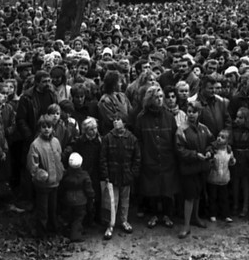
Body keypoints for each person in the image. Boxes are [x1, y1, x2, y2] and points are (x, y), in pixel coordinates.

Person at [133, 85, 179, 230]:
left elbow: (174, 137)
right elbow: (138, 139)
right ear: (149, 99)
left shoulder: (169, 116)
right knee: (151, 188)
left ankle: (166, 215)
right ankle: (153, 215)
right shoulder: (141, 117)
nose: (159, 100)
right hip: (149, 157)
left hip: (167, 158)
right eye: (155, 97)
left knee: (167, 188)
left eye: (160, 97)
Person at [99, 108, 140, 240]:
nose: (115, 122)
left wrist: (133, 173)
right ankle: (110, 224)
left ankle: (124, 221)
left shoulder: (132, 139)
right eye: (114, 120)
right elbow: (103, 158)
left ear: (125, 122)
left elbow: (137, 157)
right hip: (113, 175)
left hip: (126, 174)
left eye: (118, 119)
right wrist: (105, 174)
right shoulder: (107, 138)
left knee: (125, 200)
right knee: (112, 201)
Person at [175, 101, 212, 239]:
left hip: (201, 168)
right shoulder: (182, 130)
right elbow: (180, 150)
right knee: (189, 196)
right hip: (188, 168)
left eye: (194, 112)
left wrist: (209, 152)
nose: (191, 114)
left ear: (199, 113)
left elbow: (211, 142)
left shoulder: (204, 128)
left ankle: (195, 217)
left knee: (198, 194)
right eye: (189, 111)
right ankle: (186, 224)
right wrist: (195, 155)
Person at [27, 115, 65, 236]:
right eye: (44, 127)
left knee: (53, 208)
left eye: (49, 127)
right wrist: (43, 176)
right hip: (43, 184)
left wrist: (60, 171)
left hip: (55, 181)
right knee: (43, 209)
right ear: (39, 128)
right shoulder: (35, 144)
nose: (47, 129)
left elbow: (59, 157)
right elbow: (33, 166)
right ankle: (41, 232)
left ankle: (53, 229)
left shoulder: (56, 141)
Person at [59, 153, 94, 242]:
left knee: (70, 216)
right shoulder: (84, 175)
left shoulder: (66, 175)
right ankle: (75, 235)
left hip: (68, 199)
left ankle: (69, 231)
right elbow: (88, 189)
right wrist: (91, 196)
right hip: (80, 200)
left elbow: (62, 187)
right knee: (78, 217)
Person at [230, 106, 249, 217]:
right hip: (235, 159)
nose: (238, 119)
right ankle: (235, 205)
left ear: (246, 119)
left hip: (245, 161)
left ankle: (245, 206)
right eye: (237, 117)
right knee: (235, 184)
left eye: (241, 117)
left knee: (245, 184)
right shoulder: (233, 130)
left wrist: (248, 156)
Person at [206, 128, 236, 223]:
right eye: (218, 136)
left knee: (224, 198)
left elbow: (231, 162)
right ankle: (212, 214)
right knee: (213, 197)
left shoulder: (229, 151)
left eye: (222, 137)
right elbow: (209, 163)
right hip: (213, 178)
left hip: (224, 179)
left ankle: (225, 214)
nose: (219, 138)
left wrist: (232, 161)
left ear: (227, 140)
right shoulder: (214, 151)